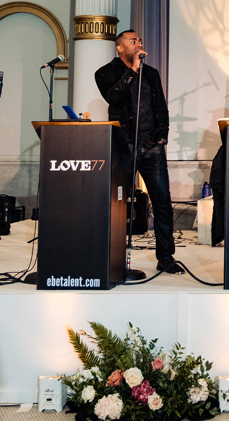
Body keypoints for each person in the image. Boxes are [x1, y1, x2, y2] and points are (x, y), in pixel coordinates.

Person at [95, 30, 179, 274]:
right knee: (116, 202)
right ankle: (112, 256)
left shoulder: (151, 73)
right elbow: (114, 97)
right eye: (133, 41)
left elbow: (161, 106)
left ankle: (166, 257)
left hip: (152, 146)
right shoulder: (105, 72)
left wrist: (162, 137)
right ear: (120, 48)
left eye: (140, 41)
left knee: (162, 201)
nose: (139, 44)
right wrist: (132, 69)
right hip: (124, 146)